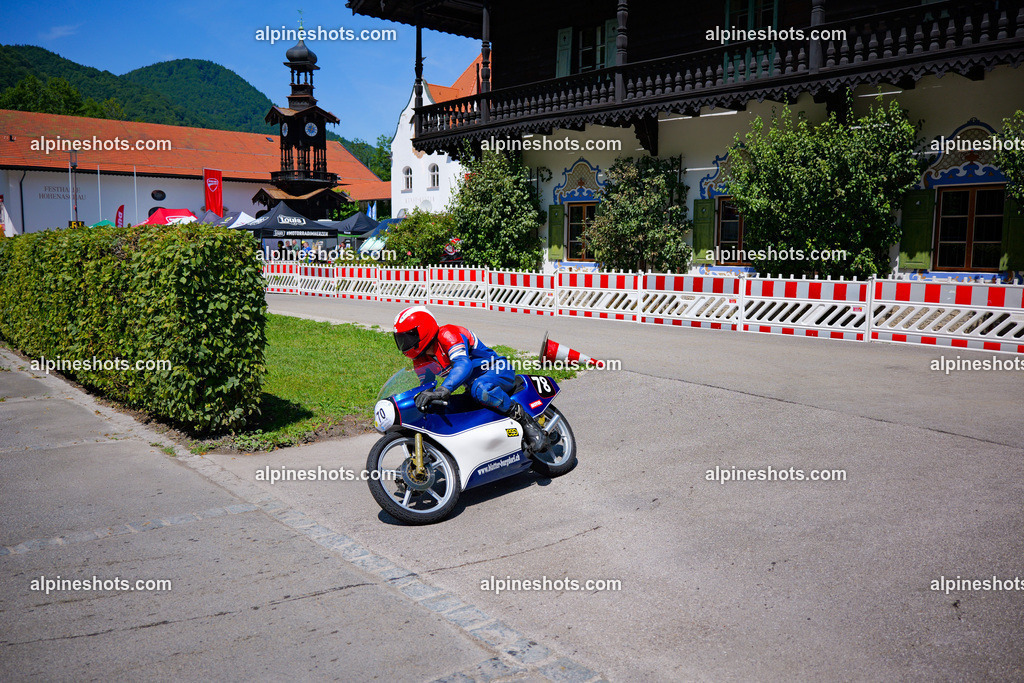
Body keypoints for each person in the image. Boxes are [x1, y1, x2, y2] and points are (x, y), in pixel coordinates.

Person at [393, 305, 551, 453]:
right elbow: (426, 386)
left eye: (408, 338)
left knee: (481, 389)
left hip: (497, 370)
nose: (404, 344)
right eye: (400, 340)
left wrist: (443, 389)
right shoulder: (420, 359)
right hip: (474, 386)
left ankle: (525, 420)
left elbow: (463, 364)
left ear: (424, 330)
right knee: (442, 406)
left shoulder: (447, 334)